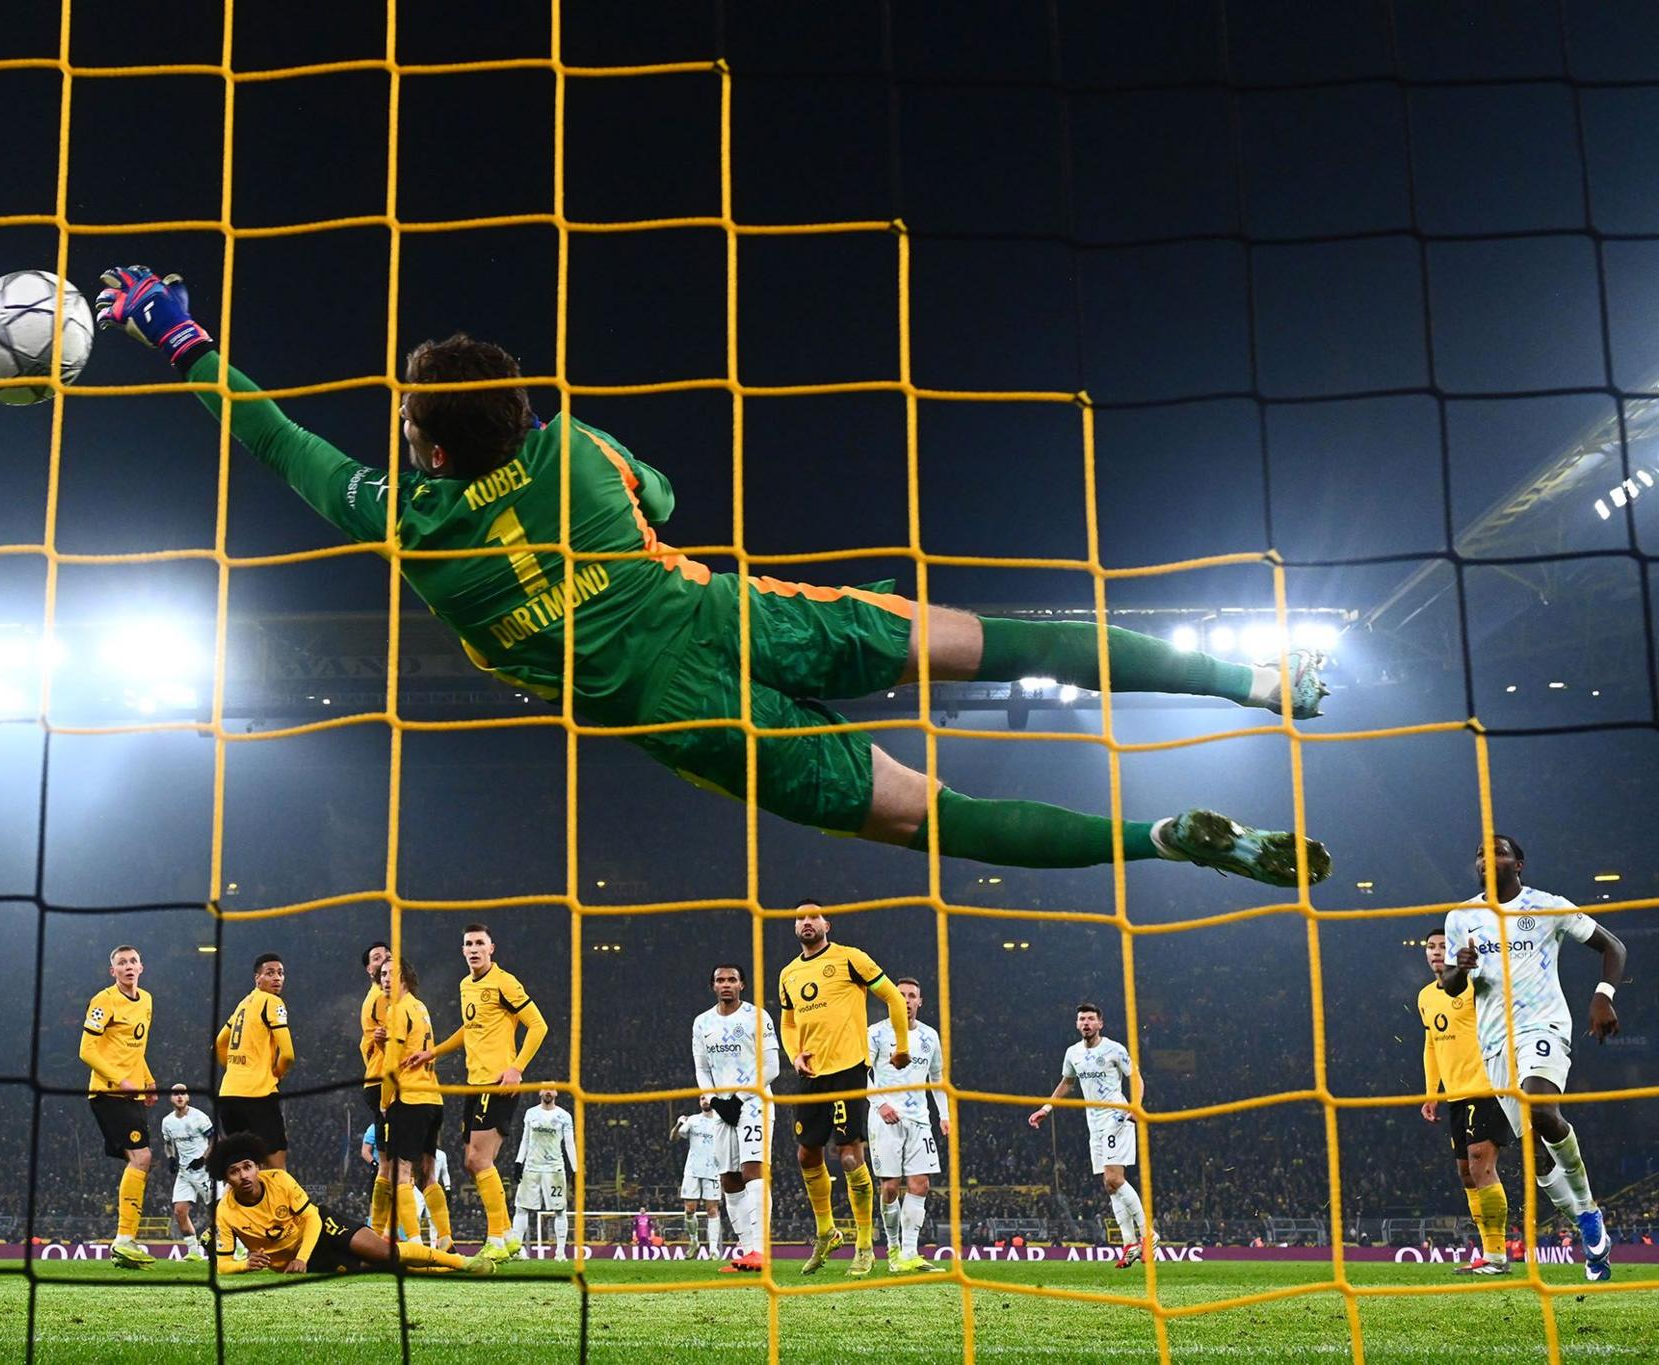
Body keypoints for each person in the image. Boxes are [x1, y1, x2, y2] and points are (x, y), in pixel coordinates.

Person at [93, 267, 1332, 888]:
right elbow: (669, 501)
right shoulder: (573, 448)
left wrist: (179, 340)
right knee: (998, 640)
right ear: (514, 414)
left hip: (689, 714)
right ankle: (1248, 676)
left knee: (926, 816)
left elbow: (279, 441)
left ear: (419, 441)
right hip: (737, 616)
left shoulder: (403, 522)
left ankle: (1164, 838)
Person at [1442, 835, 1628, 1282]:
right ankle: (1587, 1222)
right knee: (1536, 1156)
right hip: (1494, 1043)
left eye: (1499, 851)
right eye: (1480, 853)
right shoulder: (1461, 917)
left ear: (1519, 864)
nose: (1488, 858)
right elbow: (1450, 986)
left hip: (1542, 1026)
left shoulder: (1547, 906)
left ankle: (1586, 1210)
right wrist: (1459, 968)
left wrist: (1603, 996)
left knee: (1542, 1109)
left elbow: (1613, 947)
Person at [404, 923, 548, 1261]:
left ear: (491, 948)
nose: (473, 949)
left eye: (479, 943)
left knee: (477, 1159)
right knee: (473, 1163)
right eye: (468, 943)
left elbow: (538, 1025)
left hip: (497, 1082)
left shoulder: (505, 982)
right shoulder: (466, 985)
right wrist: (433, 1052)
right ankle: (510, 1234)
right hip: (474, 1083)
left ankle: (496, 1239)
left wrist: (517, 1068)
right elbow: (469, 1030)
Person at [779, 903, 908, 1278]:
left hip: (849, 1069)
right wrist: (793, 1055)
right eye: (799, 918)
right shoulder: (788, 973)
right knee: (806, 1155)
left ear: (826, 925)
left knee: (849, 1157)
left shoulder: (851, 959)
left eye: (812, 916)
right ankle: (827, 1233)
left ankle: (865, 1245)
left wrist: (902, 1047)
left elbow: (894, 998)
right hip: (812, 1074)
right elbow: (788, 1023)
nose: (806, 921)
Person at [209, 1133, 492, 1276]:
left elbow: (313, 1219)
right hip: (304, 1259)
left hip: (320, 1229)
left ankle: (462, 1262)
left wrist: (301, 1259)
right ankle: (439, 1270)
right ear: (226, 1178)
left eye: (247, 1167)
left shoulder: (279, 1180)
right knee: (377, 1266)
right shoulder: (225, 1211)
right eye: (234, 1172)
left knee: (383, 1251)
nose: (243, 1176)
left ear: (256, 1166)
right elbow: (222, 1265)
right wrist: (245, 1265)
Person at [1416, 930, 1512, 1275]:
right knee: (1466, 1174)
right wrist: (1432, 1093)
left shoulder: (1474, 987)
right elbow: (1432, 1046)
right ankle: (1489, 1253)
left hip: (1487, 1087)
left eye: (1443, 946)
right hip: (1455, 1094)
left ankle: (1498, 1256)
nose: (1437, 952)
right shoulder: (1426, 996)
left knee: (1479, 1164)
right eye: (1431, 947)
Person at [1029, 1004, 1152, 1269]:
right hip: (1093, 1124)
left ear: (1100, 1024)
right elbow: (1067, 1083)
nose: (1086, 1023)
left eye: (1091, 1019)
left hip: (1116, 1117)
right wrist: (1046, 1108)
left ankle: (1148, 1234)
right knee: (1110, 1186)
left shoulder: (1114, 1049)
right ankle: (1130, 1245)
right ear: (1077, 1024)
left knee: (1114, 1178)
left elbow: (1136, 1077)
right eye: (1082, 1019)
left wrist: (1136, 1106)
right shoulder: (1072, 1053)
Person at [695, 962, 780, 1273]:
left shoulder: (757, 1017)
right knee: (729, 1179)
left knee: (752, 1171)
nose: (726, 984)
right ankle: (746, 1252)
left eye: (732, 979)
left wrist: (738, 1098)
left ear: (742, 985)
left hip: (754, 1104)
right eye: (720, 980)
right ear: (713, 986)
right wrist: (717, 1100)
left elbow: (772, 1067)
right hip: (722, 1111)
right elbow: (702, 1069)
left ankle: (761, 1249)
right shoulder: (702, 1023)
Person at [78, 944, 157, 1269]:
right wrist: (121, 1080)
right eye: (121, 963)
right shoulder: (104, 1000)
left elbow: (135, 1049)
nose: (128, 966)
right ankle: (124, 1239)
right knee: (142, 1156)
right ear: (113, 971)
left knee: (139, 1160)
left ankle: (126, 1243)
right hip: (108, 1093)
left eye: (133, 961)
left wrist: (148, 1079)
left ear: (141, 967)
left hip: (133, 1095)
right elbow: (87, 1050)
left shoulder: (148, 1000)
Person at [868, 977, 949, 1274]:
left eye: (911, 995)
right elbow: (860, 1075)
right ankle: (892, 1249)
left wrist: (945, 1115)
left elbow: (938, 1078)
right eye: (899, 995)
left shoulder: (930, 1036)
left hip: (919, 1120)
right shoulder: (875, 1034)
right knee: (890, 1187)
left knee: (920, 1184)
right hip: (885, 1118)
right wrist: (881, 1104)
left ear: (919, 1001)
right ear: (890, 1000)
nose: (905, 1000)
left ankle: (911, 1253)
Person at [378, 958, 455, 1252]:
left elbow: (390, 1062)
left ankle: (414, 1242)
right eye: (382, 975)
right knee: (428, 1173)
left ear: (406, 977)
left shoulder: (398, 1010)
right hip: (433, 1098)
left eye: (391, 975)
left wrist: (386, 1100)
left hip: (408, 1098)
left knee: (400, 1171)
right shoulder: (420, 1008)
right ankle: (445, 1239)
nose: (385, 980)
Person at [215, 952, 294, 1168]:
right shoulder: (273, 1002)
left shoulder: (244, 1003)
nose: (277, 978)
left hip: (228, 1097)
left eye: (281, 973)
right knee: (276, 1170)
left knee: (243, 1171)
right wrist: (276, 1074)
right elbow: (288, 1054)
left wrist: (234, 1067)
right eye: (270, 973)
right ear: (257, 978)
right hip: (258, 1097)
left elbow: (219, 1043)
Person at [515, 1088, 578, 1259]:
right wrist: (518, 1162)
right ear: (540, 1092)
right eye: (545, 1089)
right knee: (521, 1208)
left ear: (556, 1093)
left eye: (551, 1089)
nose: (548, 1092)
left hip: (554, 1168)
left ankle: (560, 1252)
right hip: (531, 1167)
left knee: (560, 1210)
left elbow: (570, 1144)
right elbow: (525, 1139)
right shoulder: (531, 1113)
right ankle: (516, 1250)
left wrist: (575, 1169)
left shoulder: (564, 1116)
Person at [357, 940, 392, 1232]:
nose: (384, 961)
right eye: (378, 958)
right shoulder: (381, 998)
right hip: (385, 1082)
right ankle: (381, 1231)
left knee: (393, 1162)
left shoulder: (382, 996)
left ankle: (382, 1229)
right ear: (370, 969)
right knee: (391, 1163)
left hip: (380, 1080)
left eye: (388, 956)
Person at [160, 1083, 215, 1259]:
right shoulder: (167, 1122)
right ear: (171, 1098)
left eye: (183, 1093)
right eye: (176, 1094)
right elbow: (168, 1144)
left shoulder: (199, 1117)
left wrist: (203, 1158)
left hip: (205, 1171)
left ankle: (239, 1247)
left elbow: (215, 1139)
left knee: (218, 1212)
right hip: (184, 1173)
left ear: (188, 1097)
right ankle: (193, 1253)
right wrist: (170, 1158)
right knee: (179, 1212)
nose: (179, 1096)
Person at [672, 1099, 724, 1258]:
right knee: (689, 1210)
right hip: (692, 1170)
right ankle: (694, 1240)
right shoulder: (693, 1120)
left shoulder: (721, 1120)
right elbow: (673, 1138)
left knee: (712, 1210)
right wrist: (677, 1124)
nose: (704, 1101)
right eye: (702, 1098)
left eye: (707, 1097)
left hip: (713, 1170)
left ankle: (714, 1249)